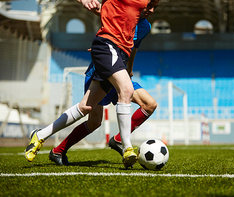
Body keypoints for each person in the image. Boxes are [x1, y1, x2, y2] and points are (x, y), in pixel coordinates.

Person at [25, 0, 159, 169]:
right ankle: (126, 147)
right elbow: (103, 10)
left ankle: (40, 135)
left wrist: (129, 68)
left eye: (156, 6)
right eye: (150, 4)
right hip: (105, 58)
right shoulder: (124, 4)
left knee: (89, 108)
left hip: (119, 64)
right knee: (123, 92)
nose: (152, 9)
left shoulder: (144, 26)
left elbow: (133, 47)